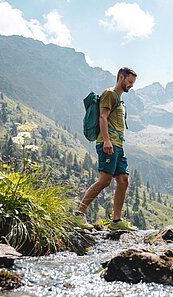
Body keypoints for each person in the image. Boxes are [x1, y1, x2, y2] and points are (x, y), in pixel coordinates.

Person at [76, 67, 137, 230]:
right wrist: (107, 141)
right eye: (130, 82)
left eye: (133, 83)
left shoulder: (120, 99)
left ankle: (116, 221)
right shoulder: (110, 94)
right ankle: (78, 215)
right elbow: (103, 117)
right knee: (104, 180)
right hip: (108, 144)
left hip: (118, 145)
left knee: (123, 180)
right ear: (121, 77)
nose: (131, 85)